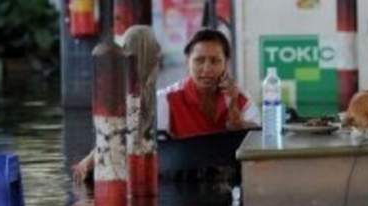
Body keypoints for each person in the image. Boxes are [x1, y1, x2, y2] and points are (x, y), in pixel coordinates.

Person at [71, 26, 163, 183]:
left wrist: (88, 160)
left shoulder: (127, 90)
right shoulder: (146, 93)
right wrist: (89, 160)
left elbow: (115, 136)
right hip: (134, 170)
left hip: (121, 170)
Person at [157, 28, 259, 138]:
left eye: (215, 61)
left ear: (226, 63)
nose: (207, 69)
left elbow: (259, 135)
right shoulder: (166, 99)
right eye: (199, 60)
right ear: (187, 62)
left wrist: (238, 121)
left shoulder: (239, 97)